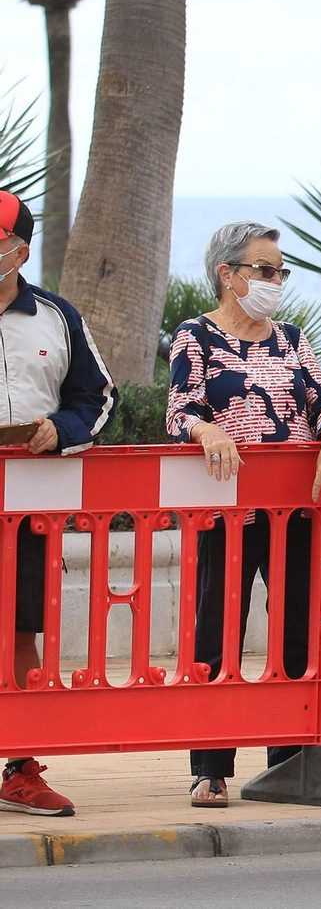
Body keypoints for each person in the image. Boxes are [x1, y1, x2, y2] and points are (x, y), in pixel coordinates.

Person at [167, 222, 321, 807]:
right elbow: (179, 409)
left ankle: (290, 761)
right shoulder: (195, 336)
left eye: (280, 272)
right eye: (265, 270)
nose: (275, 281)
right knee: (218, 633)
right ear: (229, 275)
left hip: (294, 511)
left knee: (296, 631)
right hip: (225, 512)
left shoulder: (292, 338)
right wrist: (207, 427)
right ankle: (210, 766)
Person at [0, 192, 116, 818]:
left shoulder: (56, 314)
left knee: (20, 632)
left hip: (29, 509)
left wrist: (60, 432)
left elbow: (97, 398)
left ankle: (20, 768)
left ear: (18, 250)